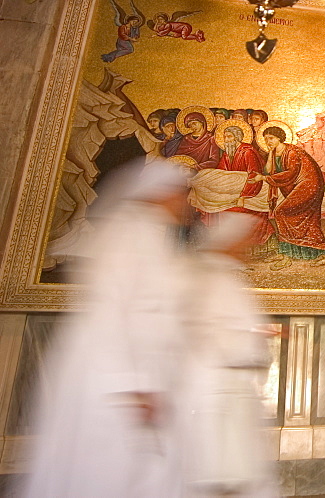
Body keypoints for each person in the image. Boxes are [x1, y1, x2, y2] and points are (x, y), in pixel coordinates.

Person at [22, 161, 193, 497]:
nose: (186, 204)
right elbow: (109, 312)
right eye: (182, 195)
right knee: (108, 470)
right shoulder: (126, 235)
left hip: (140, 374)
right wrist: (133, 384)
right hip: (111, 378)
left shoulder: (149, 235)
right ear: (161, 194)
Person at [185, 213, 278, 496]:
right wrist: (253, 337)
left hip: (229, 391)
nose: (248, 248)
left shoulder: (221, 277)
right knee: (223, 469)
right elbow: (211, 333)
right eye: (244, 242)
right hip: (217, 391)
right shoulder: (214, 279)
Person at [250, 125, 325, 269]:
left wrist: (263, 178)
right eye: (266, 139)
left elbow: (290, 174)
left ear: (279, 138)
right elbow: (268, 171)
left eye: (271, 138)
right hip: (298, 187)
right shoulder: (275, 153)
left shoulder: (292, 152)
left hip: (309, 185)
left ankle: (287, 255)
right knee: (307, 220)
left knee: (281, 212)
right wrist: (270, 155)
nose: (268, 141)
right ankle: (314, 254)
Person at [217, 122, 272, 252]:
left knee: (235, 211)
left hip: (252, 192)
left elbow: (254, 176)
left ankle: (247, 246)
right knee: (221, 208)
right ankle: (232, 245)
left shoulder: (248, 152)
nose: (227, 140)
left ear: (237, 137)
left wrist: (243, 196)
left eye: (229, 137)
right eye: (225, 137)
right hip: (235, 191)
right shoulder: (228, 153)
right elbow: (221, 172)